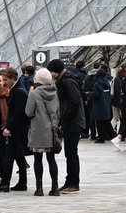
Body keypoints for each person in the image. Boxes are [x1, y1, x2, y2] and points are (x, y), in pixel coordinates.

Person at [26, 66, 62, 194]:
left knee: (38, 159)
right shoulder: (54, 92)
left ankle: (39, 188)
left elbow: (28, 112)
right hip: (51, 130)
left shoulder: (34, 93)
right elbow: (57, 111)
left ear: (38, 80)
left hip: (38, 130)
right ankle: (55, 188)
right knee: (51, 159)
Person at [51, 59, 84, 193]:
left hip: (73, 122)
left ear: (55, 71)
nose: (50, 74)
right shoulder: (65, 80)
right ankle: (69, 181)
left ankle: (74, 183)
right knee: (69, 153)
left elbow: (74, 101)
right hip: (71, 121)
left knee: (71, 153)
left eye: (51, 71)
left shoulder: (67, 82)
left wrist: (66, 115)